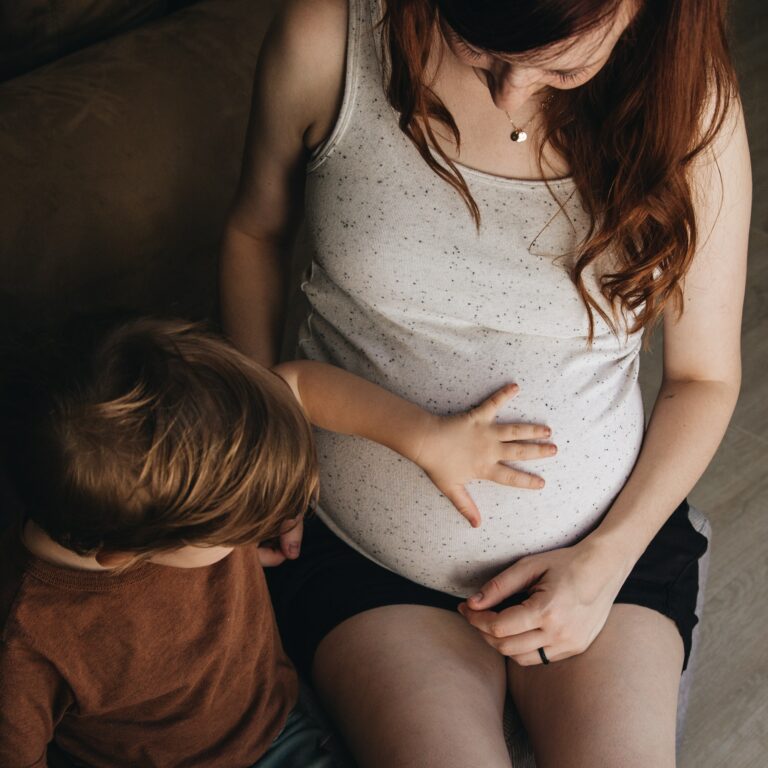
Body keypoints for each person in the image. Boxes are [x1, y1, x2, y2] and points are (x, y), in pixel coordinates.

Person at [220, 0, 750, 765]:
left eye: (561, 63)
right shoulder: (331, 33)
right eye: (480, 52)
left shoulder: (692, 106)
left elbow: (704, 378)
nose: (511, 94)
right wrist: (253, 454)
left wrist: (606, 562)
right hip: (363, 553)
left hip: (600, 546)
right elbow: (254, 230)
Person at [0, 316, 550, 767]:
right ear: (126, 555)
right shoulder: (29, 640)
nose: (265, 524)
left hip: (282, 723)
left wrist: (427, 438)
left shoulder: (171, 467)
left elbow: (299, 386)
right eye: (232, 530)